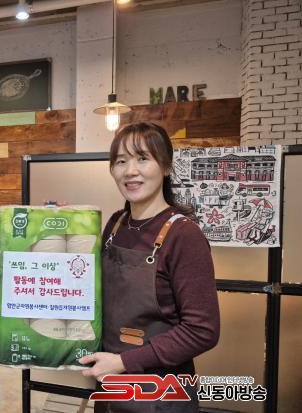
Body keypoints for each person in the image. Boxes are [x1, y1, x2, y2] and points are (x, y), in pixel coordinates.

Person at [79, 122, 220, 412]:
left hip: (159, 394)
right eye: (121, 161)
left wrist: (123, 362)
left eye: (143, 158)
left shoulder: (184, 235)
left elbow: (202, 330)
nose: (130, 171)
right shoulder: (115, 224)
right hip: (110, 385)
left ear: (166, 166)